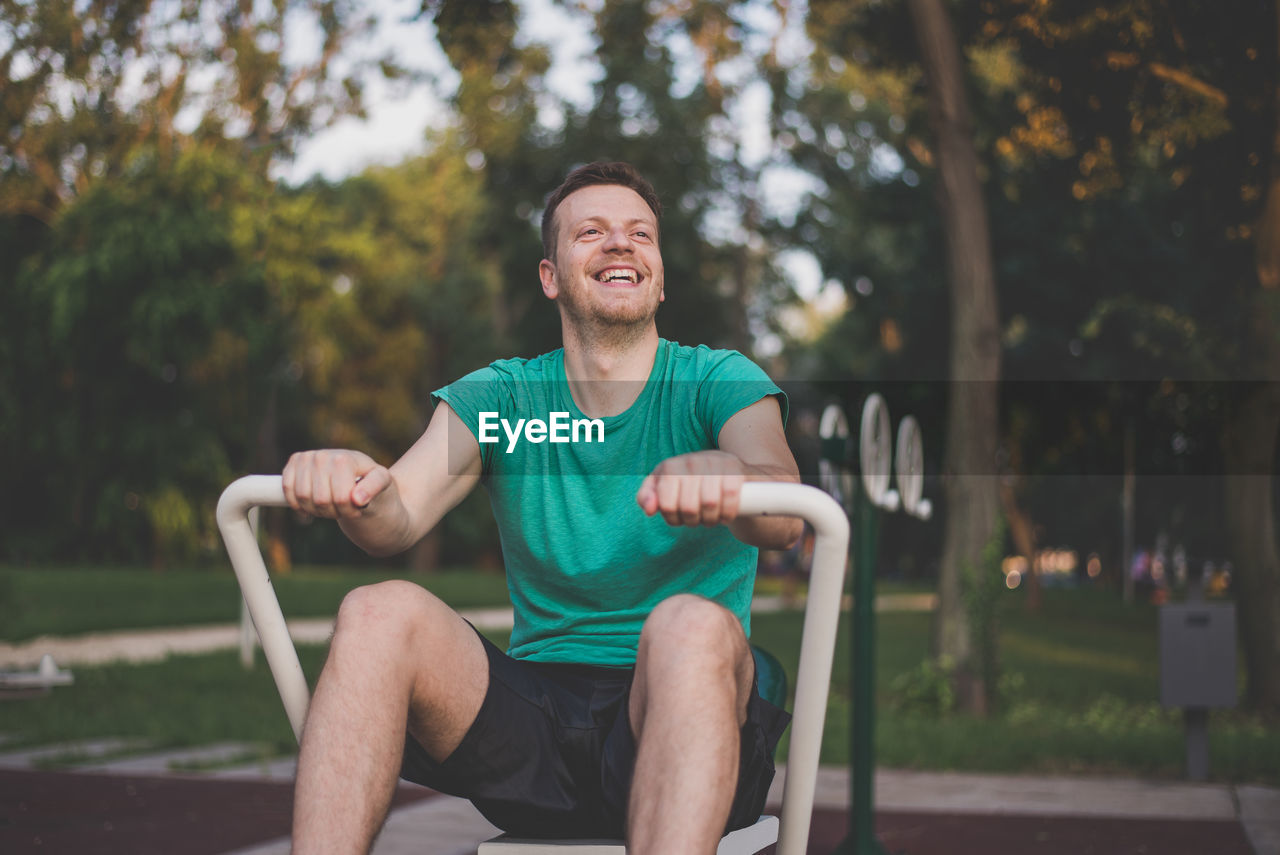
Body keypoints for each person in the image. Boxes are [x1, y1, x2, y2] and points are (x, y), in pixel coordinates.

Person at [281, 161, 803, 855]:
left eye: (639, 234)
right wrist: (350, 486)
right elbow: (395, 512)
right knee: (376, 612)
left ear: (660, 275)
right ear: (551, 275)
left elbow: (784, 506)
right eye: (592, 231)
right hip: (538, 730)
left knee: (686, 625)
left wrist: (735, 479)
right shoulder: (506, 400)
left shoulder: (716, 380)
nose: (620, 244)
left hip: (682, 716)